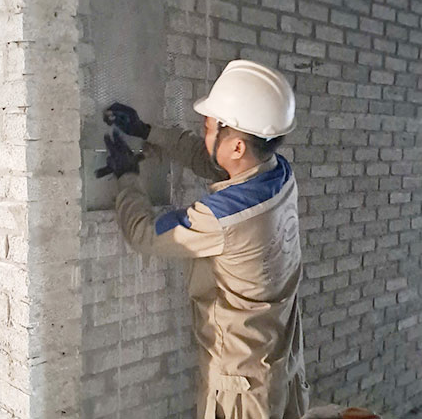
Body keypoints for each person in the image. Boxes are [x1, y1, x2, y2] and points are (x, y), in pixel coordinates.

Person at [101, 60, 309, 419]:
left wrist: (127, 176)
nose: (204, 134)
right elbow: (210, 159)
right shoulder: (279, 174)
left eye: (208, 128)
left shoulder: (223, 217)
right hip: (280, 367)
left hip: (241, 392)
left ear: (238, 147)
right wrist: (147, 131)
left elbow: (144, 234)